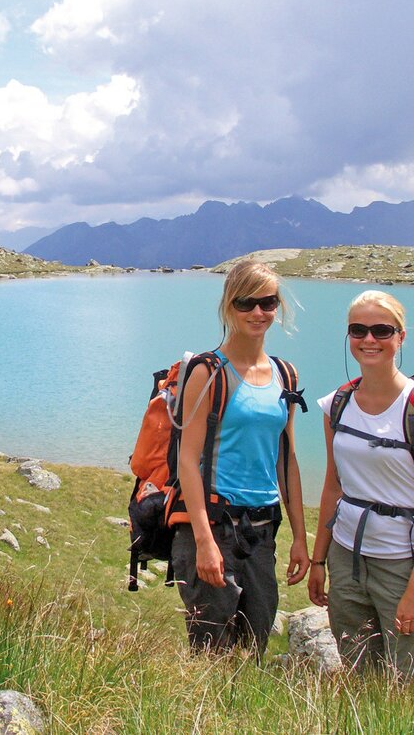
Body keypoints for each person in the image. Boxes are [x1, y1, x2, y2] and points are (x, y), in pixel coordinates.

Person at [307, 290, 414, 677]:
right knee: (359, 673)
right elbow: (333, 487)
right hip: (346, 558)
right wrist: (319, 561)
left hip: (403, 564)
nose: (369, 339)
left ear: (401, 337)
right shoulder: (337, 404)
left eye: (381, 330)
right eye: (358, 330)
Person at [171, 260, 309, 653]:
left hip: (263, 531)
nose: (258, 312)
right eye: (246, 303)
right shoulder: (208, 372)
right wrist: (204, 543)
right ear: (229, 305)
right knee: (211, 653)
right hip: (216, 525)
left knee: (253, 648)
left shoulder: (286, 375)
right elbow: (187, 461)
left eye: (268, 303)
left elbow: (287, 459)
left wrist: (300, 538)